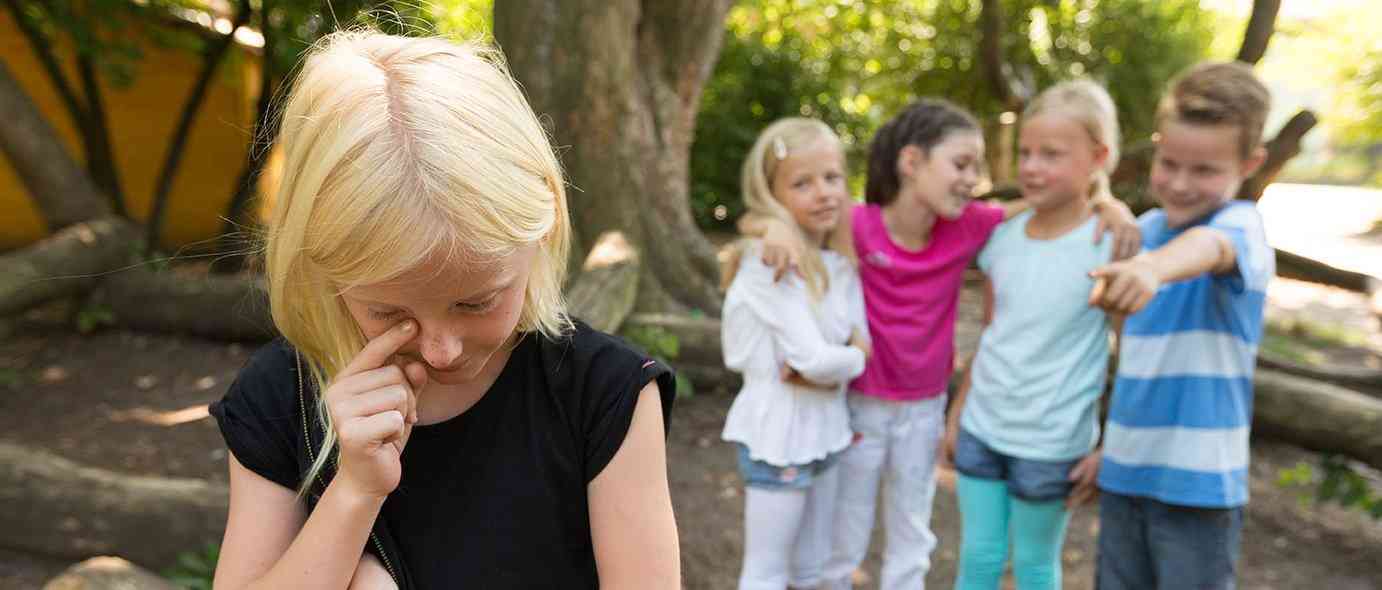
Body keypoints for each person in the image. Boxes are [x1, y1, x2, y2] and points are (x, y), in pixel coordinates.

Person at [207, 30, 680, 590]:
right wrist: (353, 494)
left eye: (477, 301)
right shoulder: (279, 396)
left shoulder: (603, 393)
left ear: (543, 226)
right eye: (387, 311)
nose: (441, 348)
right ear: (322, 267)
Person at [742, 99, 1139, 590]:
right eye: (961, 164)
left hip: (924, 410)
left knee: (912, 533)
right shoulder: (856, 224)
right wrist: (772, 226)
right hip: (862, 407)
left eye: (976, 166)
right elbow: (790, 212)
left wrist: (1107, 203)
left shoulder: (970, 226)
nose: (973, 178)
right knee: (846, 534)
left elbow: (1047, 207)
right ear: (912, 163)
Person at [1086, 61, 1274, 590]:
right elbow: (1132, 361)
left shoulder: (1241, 226)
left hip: (1200, 484)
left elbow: (1211, 249)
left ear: (1250, 163)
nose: (1181, 184)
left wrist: (1151, 267)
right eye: (1169, 163)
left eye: (1205, 170)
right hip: (1126, 471)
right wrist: (1108, 445)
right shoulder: (1143, 231)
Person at [939, 79, 1121, 590]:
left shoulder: (1111, 245)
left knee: (1035, 565)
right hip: (982, 427)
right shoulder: (1002, 238)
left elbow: (1129, 354)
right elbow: (995, 331)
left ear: (1098, 156)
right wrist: (957, 413)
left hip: (1052, 442)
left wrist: (1110, 444)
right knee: (977, 557)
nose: (1032, 167)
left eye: (1052, 155)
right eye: (1025, 153)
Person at [720, 118, 870, 590]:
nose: (824, 192)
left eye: (832, 178)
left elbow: (854, 342)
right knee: (767, 572)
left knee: (812, 569)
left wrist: (843, 361)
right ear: (773, 195)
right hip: (778, 431)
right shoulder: (769, 262)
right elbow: (815, 360)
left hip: (826, 428)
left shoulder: (839, 262)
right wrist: (854, 361)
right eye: (802, 183)